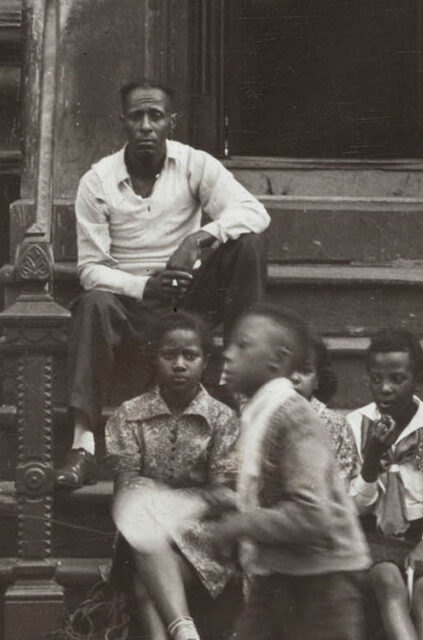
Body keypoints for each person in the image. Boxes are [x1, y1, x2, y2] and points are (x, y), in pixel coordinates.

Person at [65, 79, 272, 487]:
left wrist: (199, 239)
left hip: (188, 301)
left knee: (248, 244)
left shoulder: (194, 164)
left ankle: (241, 388)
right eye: (136, 117)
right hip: (132, 307)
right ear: (122, 122)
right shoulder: (97, 181)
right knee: (91, 303)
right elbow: (90, 269)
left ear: (170, 122)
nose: (146, 126)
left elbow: (254, 211)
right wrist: (143, 287)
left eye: (155, 116)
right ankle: (82, 444)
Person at [208, 304, 370, 640]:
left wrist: (239, 524)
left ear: (278, 360)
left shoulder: (294, 418)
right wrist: (231, 504)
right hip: (279, 573)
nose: (228, 353)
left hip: (324, 582)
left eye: (243, 344)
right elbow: (271, 492)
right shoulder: (260, 412)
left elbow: (311, 514)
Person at [105, 312, 242, 640]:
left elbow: (224, 496)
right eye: (169, 355)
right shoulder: (130, 415)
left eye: (189, 356)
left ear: (205, 362)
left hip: (204, 540)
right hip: (143, 535)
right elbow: (125, 495)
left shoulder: (222, 419)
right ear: (154, 358)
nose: (179, 364)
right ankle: (184, 631)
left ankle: (180, 631)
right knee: (141, 524)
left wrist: (158, 495)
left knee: (145, 578)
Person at [338, 329, 423, 640]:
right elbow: (356, 507)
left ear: (418, 379)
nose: (385, 388)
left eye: (397, 379)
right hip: (374, 534)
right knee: (389, 582)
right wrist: (371, 459)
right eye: (376, 379)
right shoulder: (356, 424)